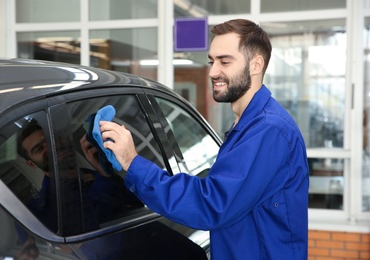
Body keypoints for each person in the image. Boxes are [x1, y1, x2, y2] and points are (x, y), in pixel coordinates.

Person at [100, 18, 309, 259]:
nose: (212, 72)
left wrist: (133, 162)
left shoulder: (268, 130)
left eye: (224, 61)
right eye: (211, 61)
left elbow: (211, 204)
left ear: (256, 65)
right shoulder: (248, 125)